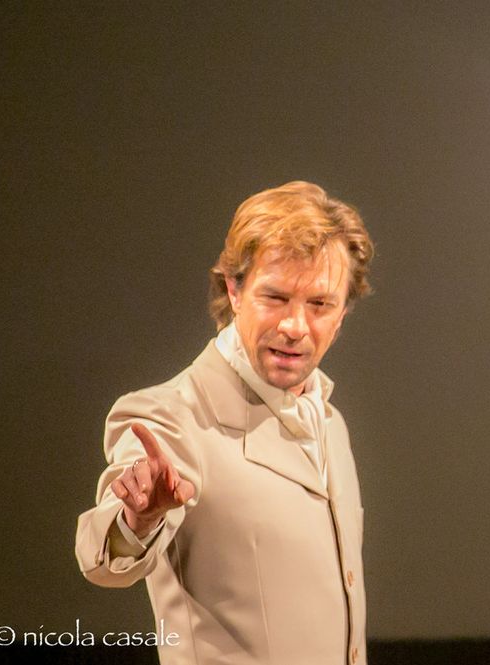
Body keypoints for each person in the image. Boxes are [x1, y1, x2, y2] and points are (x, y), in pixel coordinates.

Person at [75, 181, 374, 665]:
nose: (295, 326)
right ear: (235, 291)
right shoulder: (172, 415)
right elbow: (102, 561)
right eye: (275, 297)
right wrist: (139, 518)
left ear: (341, 314)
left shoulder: (330, 420)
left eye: (320, 304)